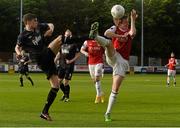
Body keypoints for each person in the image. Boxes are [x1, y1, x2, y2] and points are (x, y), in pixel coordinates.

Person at [89, 9, 137, 121]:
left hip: (123, 62)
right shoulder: (115, 29)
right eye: (124, 23)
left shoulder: (129, 32)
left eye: (127, 23)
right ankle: (95, 36)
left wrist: (133, 19)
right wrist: (118, 36)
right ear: (119, 23)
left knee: (115, 88)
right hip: (114, 55)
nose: (126, 25)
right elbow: (106, 33)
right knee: (109, 43)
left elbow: (133, 33)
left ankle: (107, 113)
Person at [15, 13, 62, 121]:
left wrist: (49, 31)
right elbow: (17, 47)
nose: (36, 22)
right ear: (28, 22)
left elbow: (51, 24)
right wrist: (19, 54)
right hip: (42, 58)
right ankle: (89, 37)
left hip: (47, 59)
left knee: (55, 86)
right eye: (34, 20)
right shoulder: (23, 35)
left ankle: (44, 112)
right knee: (61, 39)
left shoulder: (38, 28)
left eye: (36, 20)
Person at [54, 29, 81, 102]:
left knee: (66, 82)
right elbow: (59, 53)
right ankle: (65, 94)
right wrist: (55, 60)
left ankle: (67, 97)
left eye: (68, 35)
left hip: (69, 66)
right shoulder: (62, 44)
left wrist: (71, 61)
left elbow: (78, 54)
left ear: (71, 35)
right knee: (59, 82)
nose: (67, 36)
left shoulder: (74, 44)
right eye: (66, 35)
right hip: (61, 65)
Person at [80, 39, 105, 103]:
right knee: (94, 80)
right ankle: (101, 93)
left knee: (97, 78)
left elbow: (106, 50)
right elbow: (81, 49)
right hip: (91, 63)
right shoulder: (87, 42)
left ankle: (98, 95)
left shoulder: (101, 41)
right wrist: (85, 53)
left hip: (99, 62)